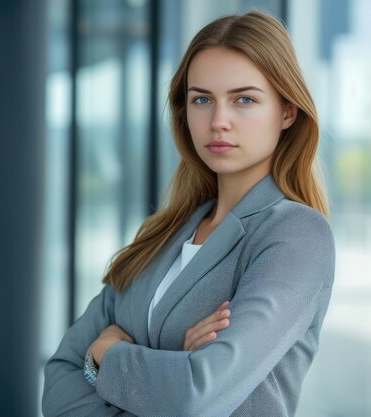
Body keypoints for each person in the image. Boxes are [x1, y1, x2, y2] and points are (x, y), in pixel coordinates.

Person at [42, 11, 335, 417]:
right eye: (202, 99)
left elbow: (196, 395)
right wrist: (167, 367)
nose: (218, 122)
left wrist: (107, 356)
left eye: (244, 99)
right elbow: (59, 378)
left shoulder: (295, 235)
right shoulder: (163, 233)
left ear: (287, 112)